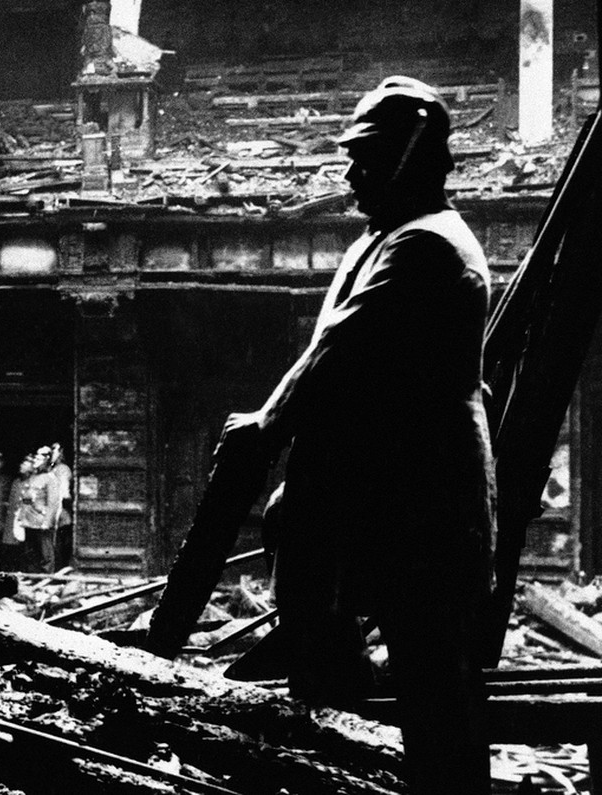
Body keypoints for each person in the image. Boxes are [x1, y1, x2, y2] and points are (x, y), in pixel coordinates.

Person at [223, 76, 495, 794]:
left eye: (369, 159)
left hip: (427, 501)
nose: (351, 176)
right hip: (374, 496)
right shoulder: (382, 240)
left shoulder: (431, 246)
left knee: (433, 679)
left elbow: (340, 350)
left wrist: (266, 424)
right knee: (327, 648)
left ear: (418, 159)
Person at [48, 442, 74, 570]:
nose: (52, 453)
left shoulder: (62, 469)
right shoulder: (53, 469)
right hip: (53, 514)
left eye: (54, 449)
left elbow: (64, 493)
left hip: (61, 514)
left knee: (58, 545)